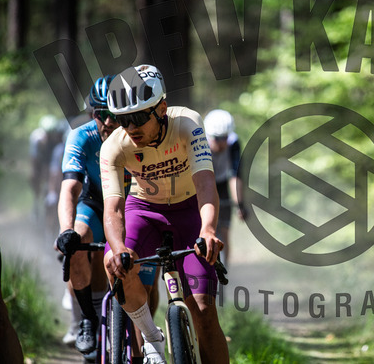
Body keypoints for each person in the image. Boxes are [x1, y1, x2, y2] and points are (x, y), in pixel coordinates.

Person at [101, 64, 229, 364]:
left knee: (204, 311)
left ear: (161, 108)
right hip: (143, 210)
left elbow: (205, 183)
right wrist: (118, 248)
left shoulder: (187, 123)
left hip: (189, 209)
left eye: (138, 118)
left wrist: (208, 229)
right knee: (113, 264)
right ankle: (151, 339)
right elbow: (114, 208)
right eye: (123, 120)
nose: (131, 127)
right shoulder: (114, 146)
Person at [55, 76, 157, 357]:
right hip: (95, 204)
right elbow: (69, 188)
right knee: (77, 240)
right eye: (101, 114)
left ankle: (145, 346)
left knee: (145, 289)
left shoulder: (137, 135)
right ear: (93, 114)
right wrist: (66, 230)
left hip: (135, 205)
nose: (109, 122)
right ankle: (88, 319)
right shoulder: (81, 136)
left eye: (115, 114)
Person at [203, 109, 247, 266]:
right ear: (209, 136)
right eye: (217, 138)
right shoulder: (200, 142)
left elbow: (235, 175)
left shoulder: (233, 142)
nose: (222, 142)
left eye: (225, 138)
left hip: (221, 183)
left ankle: (225, 269)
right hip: (202, 184)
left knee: (225, 231)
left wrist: (239, 204)